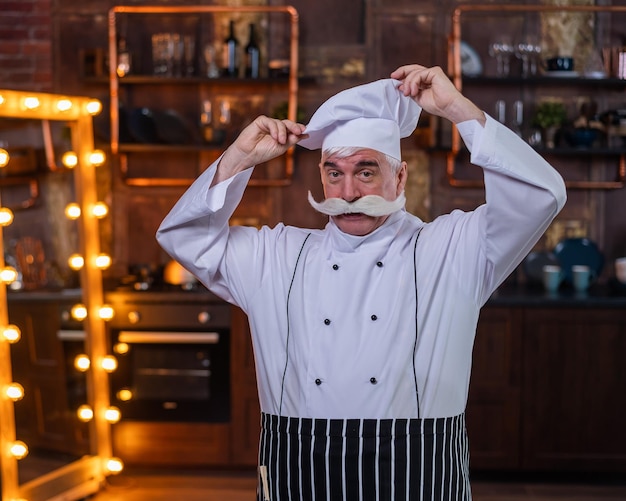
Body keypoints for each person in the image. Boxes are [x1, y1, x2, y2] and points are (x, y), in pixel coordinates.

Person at [156, 64, 566, 500]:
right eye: (334, 173)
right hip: (300, 472)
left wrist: (458, 109)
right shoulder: (275, 256)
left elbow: (541, 195)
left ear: (400, 177)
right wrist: (237, 159)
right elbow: (184, 235)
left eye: (366, 172)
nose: (348, 191)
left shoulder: (453, 249)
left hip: (417, 474)